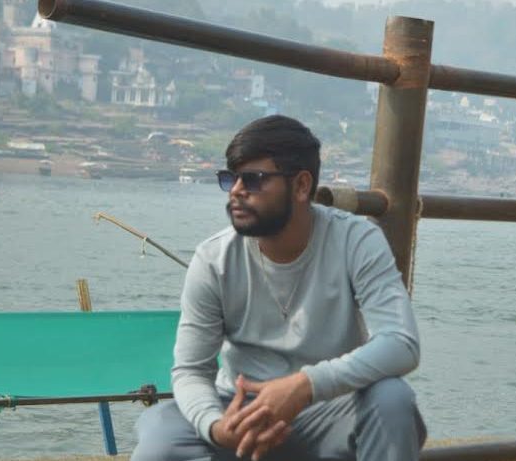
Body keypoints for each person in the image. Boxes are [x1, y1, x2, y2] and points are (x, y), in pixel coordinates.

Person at [131, 115, 426, 461]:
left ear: (301, 186)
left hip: (328, 411)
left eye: (253, 180)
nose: (236, 191)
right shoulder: (213, 259)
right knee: (160, 434)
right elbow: (191, 370)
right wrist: (216, 426)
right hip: (241, 413)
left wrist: (305, 386)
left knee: (392, 400)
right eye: (231, 178)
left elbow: (401, 343)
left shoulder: (356, 241)